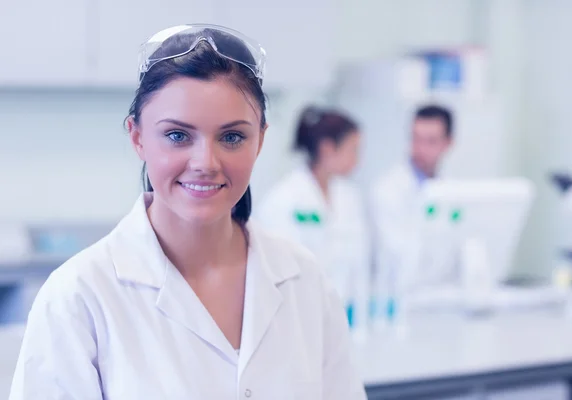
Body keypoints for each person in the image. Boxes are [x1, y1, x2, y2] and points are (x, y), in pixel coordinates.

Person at [9, 24, 366, 400]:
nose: (205, 162)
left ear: (260, 140)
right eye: (178, 135)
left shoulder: (303, 280)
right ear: (138, 138)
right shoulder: (79, 297)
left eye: (232, 137)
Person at [255, 106, 371, 332]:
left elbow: (360, 264)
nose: (358, 160)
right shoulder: (283, 200)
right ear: (328, 149)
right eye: (353, 150)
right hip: (295, 322)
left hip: (345, 318)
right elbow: (280, 273)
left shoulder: (350, 197)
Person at [370, 104, 454, 291]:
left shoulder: (449, 191)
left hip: (441, 297)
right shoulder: (388, 189)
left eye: (430, 141)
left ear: (448, 143)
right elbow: (397, 258)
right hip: (401, 297)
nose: (420, 148)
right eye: (416, 139)